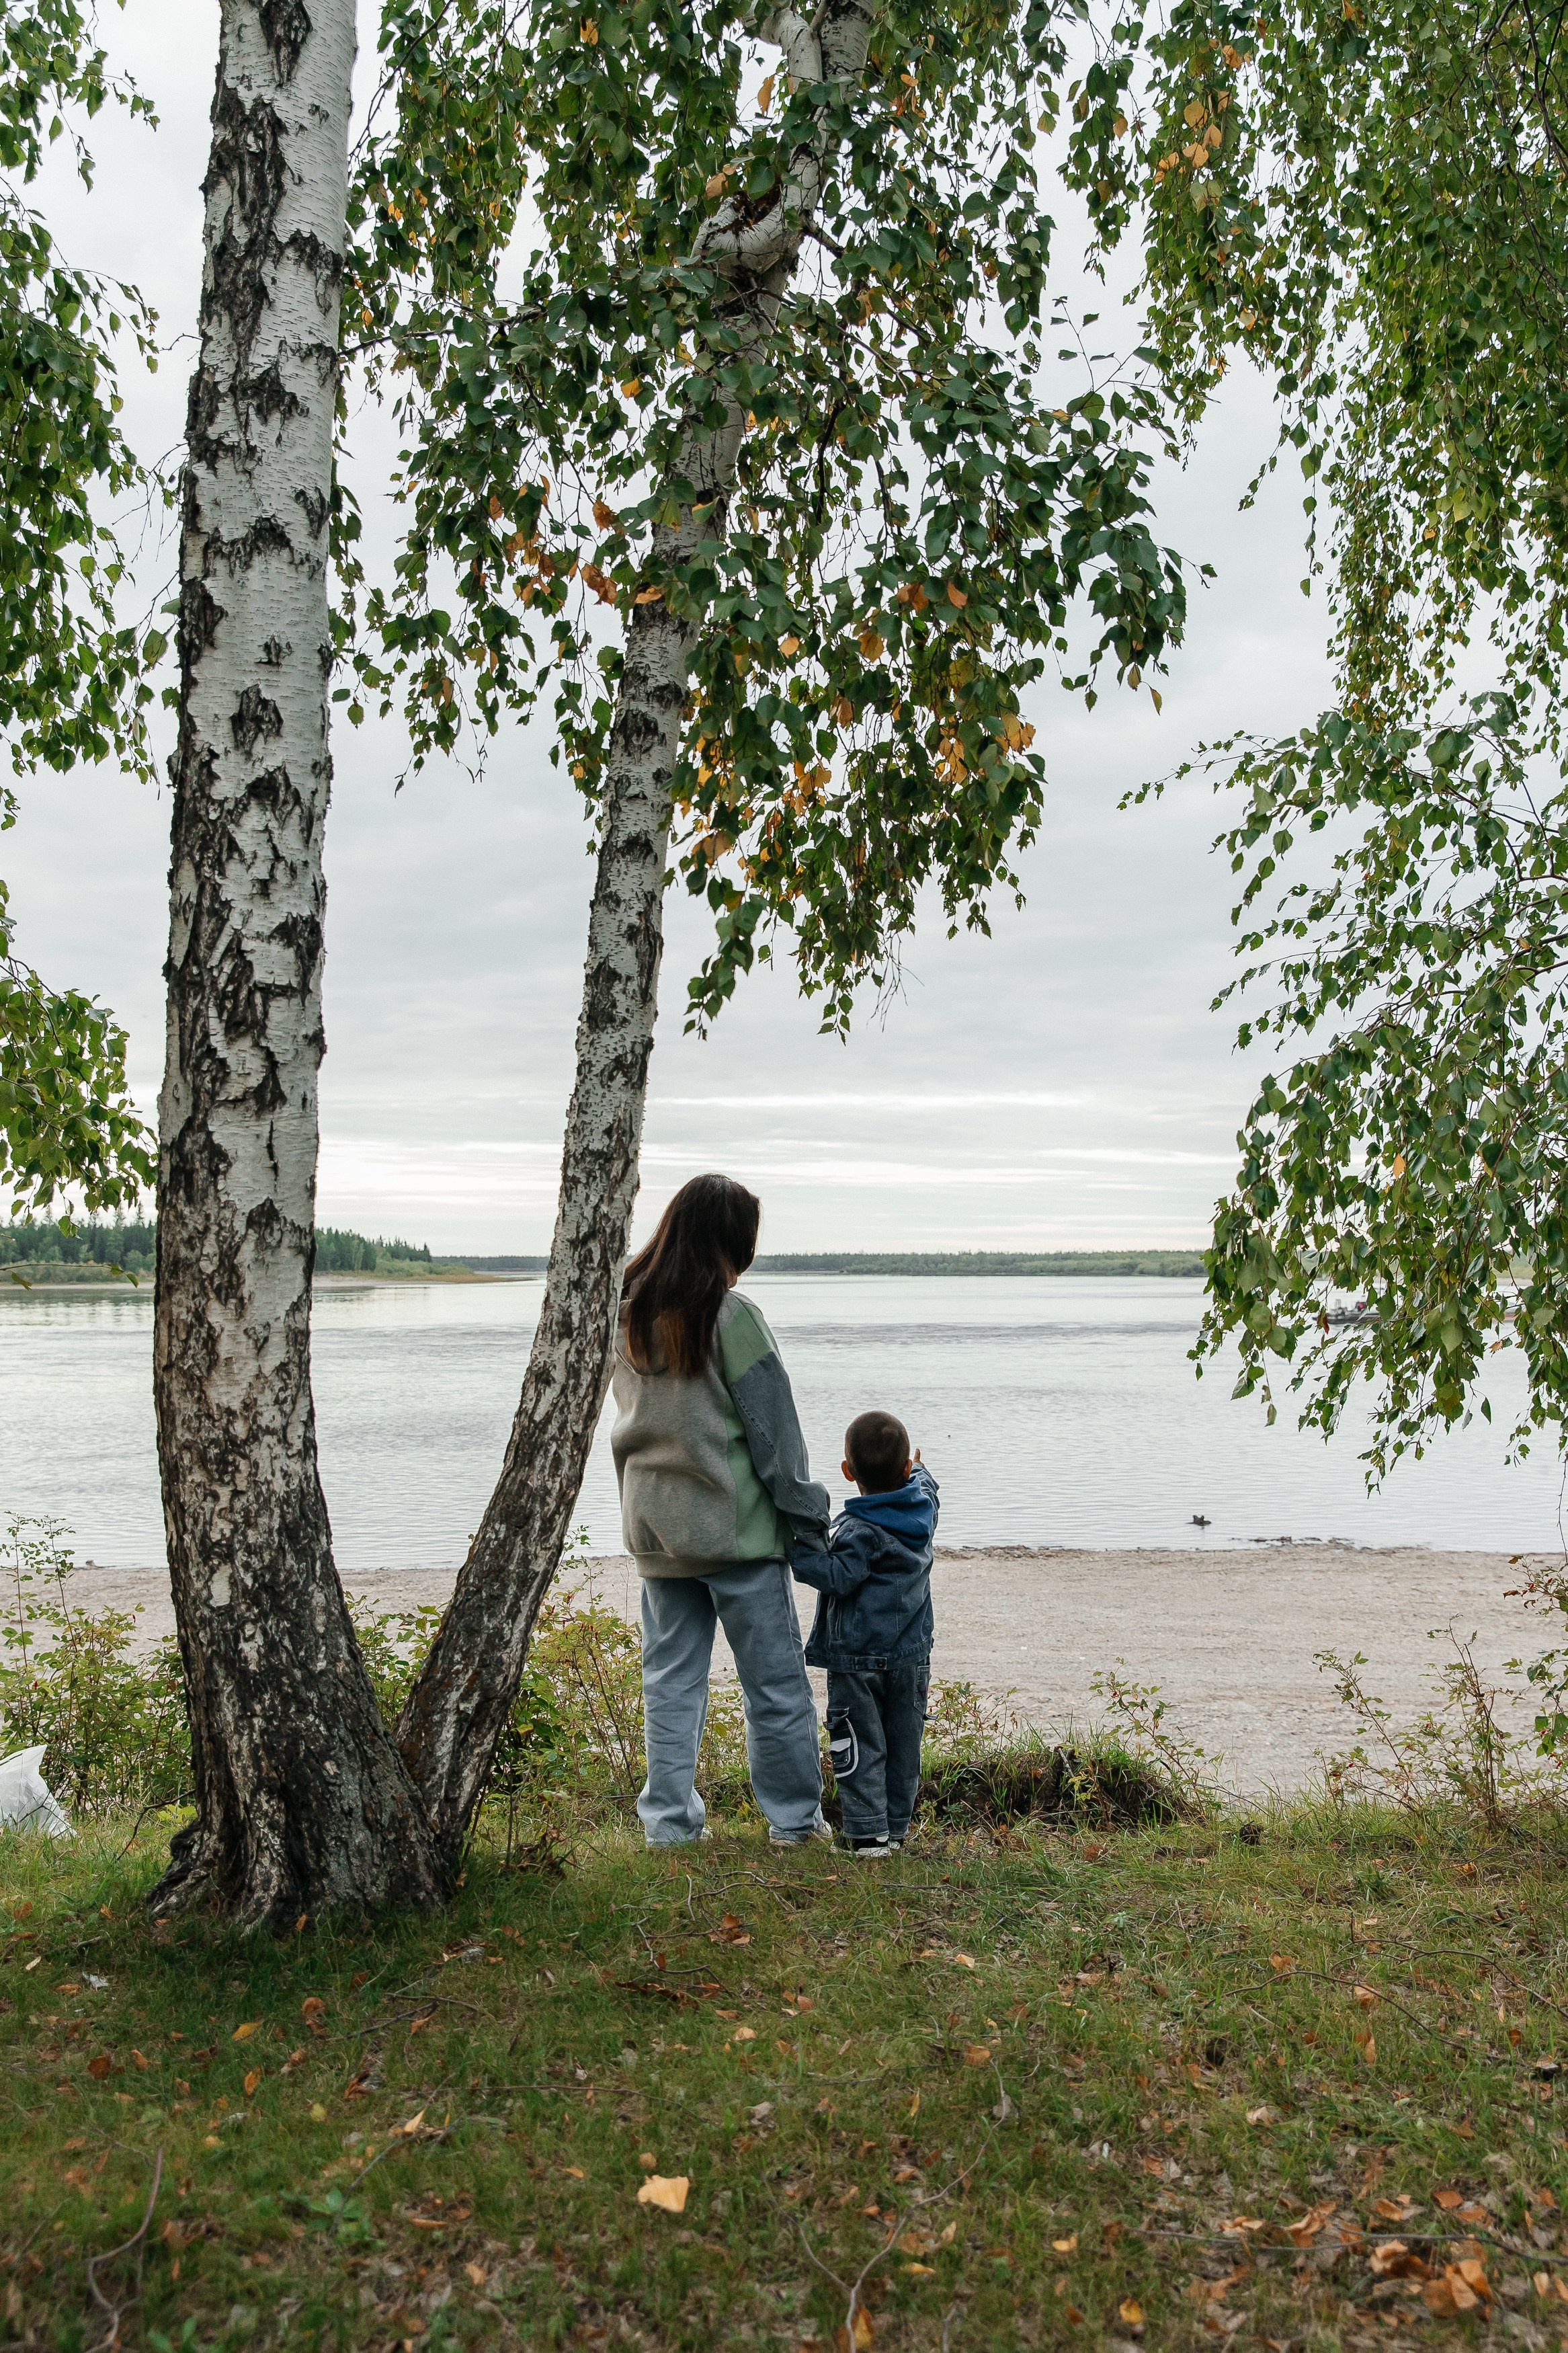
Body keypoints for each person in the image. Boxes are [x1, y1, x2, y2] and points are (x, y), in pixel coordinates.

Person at [610, 1172, 831, 1846]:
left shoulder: (623, 1310)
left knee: (669, 1683)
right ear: (733, 1241)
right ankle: (794, 1823)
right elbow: (774, 1434)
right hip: (736, 1534)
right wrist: (807, 1516)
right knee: (773, 1687)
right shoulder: (731, 1316)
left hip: (656, 1529)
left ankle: (669, 1827)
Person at [789, 1410, 939, 1859]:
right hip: (911, 1655)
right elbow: (929, 1485)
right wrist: (922, 1468)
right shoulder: (923, 1511)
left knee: (859, 1742)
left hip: (858, 1658)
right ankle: (894, 1828)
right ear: (907, 1469)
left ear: (847, 1472)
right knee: (902, 1743)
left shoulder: (858, 1531)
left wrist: (794, 1550)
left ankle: (867, 1835)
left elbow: (838, 1577)